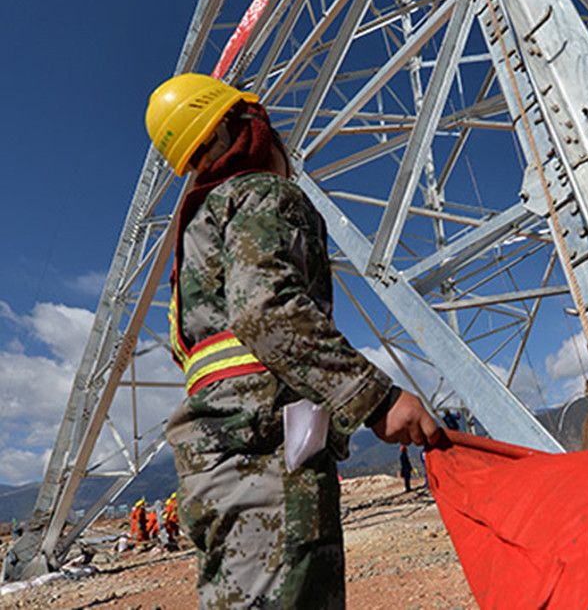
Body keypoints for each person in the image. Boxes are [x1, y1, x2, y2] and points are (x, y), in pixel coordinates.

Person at [145, 73, 438, 609]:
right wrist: (376, 399)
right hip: (267, 457)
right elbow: (267, 311)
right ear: (245, 128)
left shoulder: (196, 243)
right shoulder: (261, 196)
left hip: (214, 464)